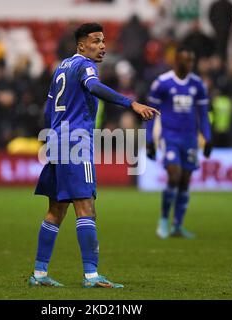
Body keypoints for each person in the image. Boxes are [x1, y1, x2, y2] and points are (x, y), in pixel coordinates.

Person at [29, 23, 159, 288]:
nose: (102, 46)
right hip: (77, 142)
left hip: (57, 140)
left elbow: (48, 107)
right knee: (86, 208)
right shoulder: (86, 66)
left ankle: (39, 274)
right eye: (96, 41)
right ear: (81, 45)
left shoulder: (61, 67)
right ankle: (91, 276)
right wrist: (130, 102)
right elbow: (94, 86)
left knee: (56, 210)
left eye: (103, 41)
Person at [146, 46, 212, 239]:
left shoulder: (198, 85)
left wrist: (207, 138)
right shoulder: (162, 83)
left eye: (192, 60)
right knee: (174, 176)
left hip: (190, 139)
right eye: (186, 60)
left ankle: (177, 225)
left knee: (184, 182)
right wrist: (150, 139)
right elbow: (149, 112)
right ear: (176, 61)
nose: (189, 64)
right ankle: (164, 220)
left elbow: (203, 115)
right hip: (170, 137)